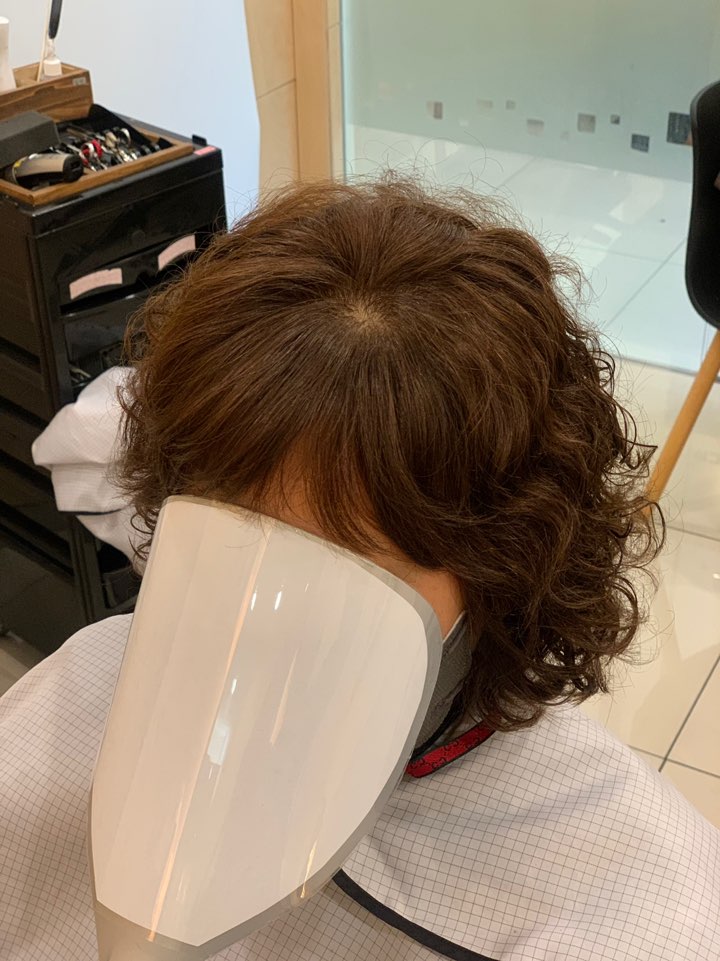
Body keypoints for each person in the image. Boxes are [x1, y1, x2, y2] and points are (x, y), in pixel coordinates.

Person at [1, 178, 718, 961]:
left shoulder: (647, 908)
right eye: (230, 535)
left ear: (505, 576)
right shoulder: (81, 692)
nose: (264, 616)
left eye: (343, 565)